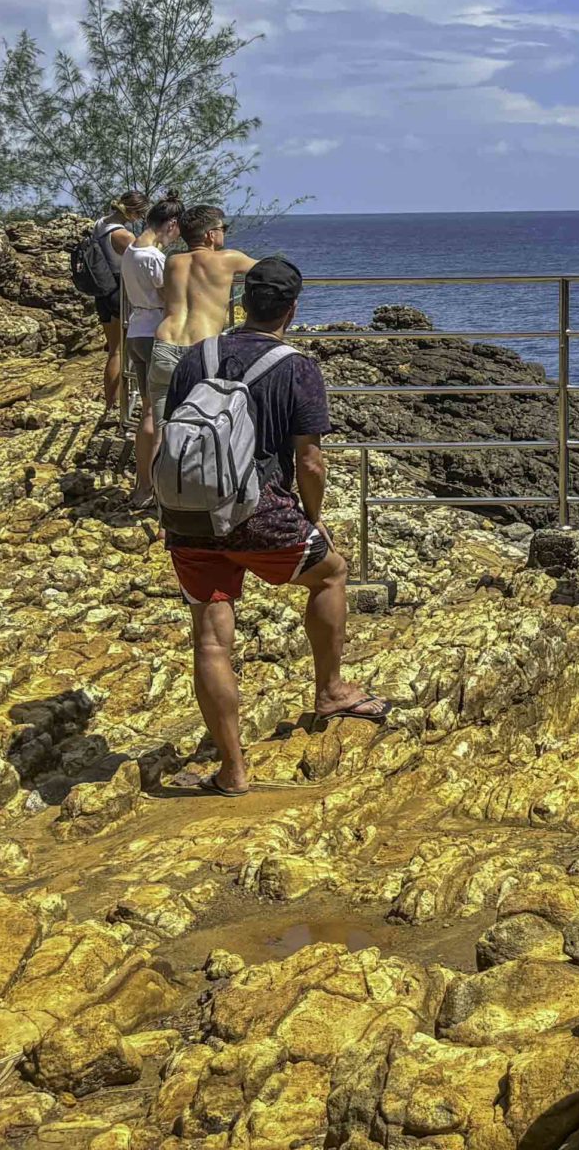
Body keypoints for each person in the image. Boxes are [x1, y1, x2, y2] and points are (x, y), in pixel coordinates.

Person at [158, 254, 386, 794]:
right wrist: (313, 518)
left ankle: (232, 770)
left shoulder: (196, 358)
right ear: (291, 309)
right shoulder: (296, 367)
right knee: (331, 573)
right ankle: (331, 691)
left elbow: (173, 434)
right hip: (260, 516)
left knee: (211, 639)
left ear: (243, 301)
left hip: (190, 516)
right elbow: (309, 461)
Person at [134, 204, 256, 500]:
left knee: (163, 429)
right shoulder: (228, 260)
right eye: (223, 229)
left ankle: (157, 502)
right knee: (203, 426)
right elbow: (272, 271)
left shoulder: (173, 261)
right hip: (200, 352)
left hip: (164, 344)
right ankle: (200, 498)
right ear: (212, 234)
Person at [118, 199, 183, 426]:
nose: (176, 237)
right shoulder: (154, 258)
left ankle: (143, 463)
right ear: (171, 224)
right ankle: (160, 460)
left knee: (147, 411)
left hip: (136, 331)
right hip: (154, 332)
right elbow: (170, 296)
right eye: (177, 232)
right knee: (163, 414)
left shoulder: (130, 252)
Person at [86, 193, 146, 415]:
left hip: (103, 291)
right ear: (132, 211)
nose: (140, 218)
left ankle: (110, 406)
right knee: (127, 352)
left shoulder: (100, 224)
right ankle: (125, 405)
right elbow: (141, 262)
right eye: (140, 213)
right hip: (121, 292)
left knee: (114, 351)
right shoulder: (123, 235)